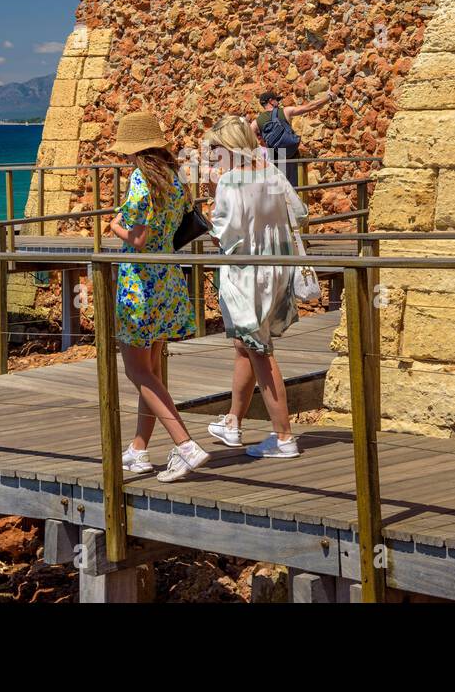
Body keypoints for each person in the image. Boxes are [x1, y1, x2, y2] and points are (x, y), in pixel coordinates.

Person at [106, 111, 209, 483]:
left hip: (139, 283)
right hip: (168, 279)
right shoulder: (174, 179)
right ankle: (137, 449)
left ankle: (185, 445)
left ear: (133, 151)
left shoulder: (140, 180)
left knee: (137, 371)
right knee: (152, 372)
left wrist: (115, 224)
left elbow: (138, 238)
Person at [201, 115, 307, 459]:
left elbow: (225, 235)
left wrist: (211, 201)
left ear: (228, 147)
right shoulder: (271, 173)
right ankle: (233, 421)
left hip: (246, 274)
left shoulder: (230, 182)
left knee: (260, 351)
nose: (212, 156)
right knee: (244, 345)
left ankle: (283, 437)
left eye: (215, 149)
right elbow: (300, 211)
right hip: (276, 268)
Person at [251, 90, 335, 187]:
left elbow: (249, 140)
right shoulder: (285, 111)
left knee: (278, 191)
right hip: (291, 157)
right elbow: (311, 106)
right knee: (295, 190)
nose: (278, 103)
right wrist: (329, 97)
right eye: (276, 100)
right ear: (271, 101)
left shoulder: (256, 122)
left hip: (275, 161)